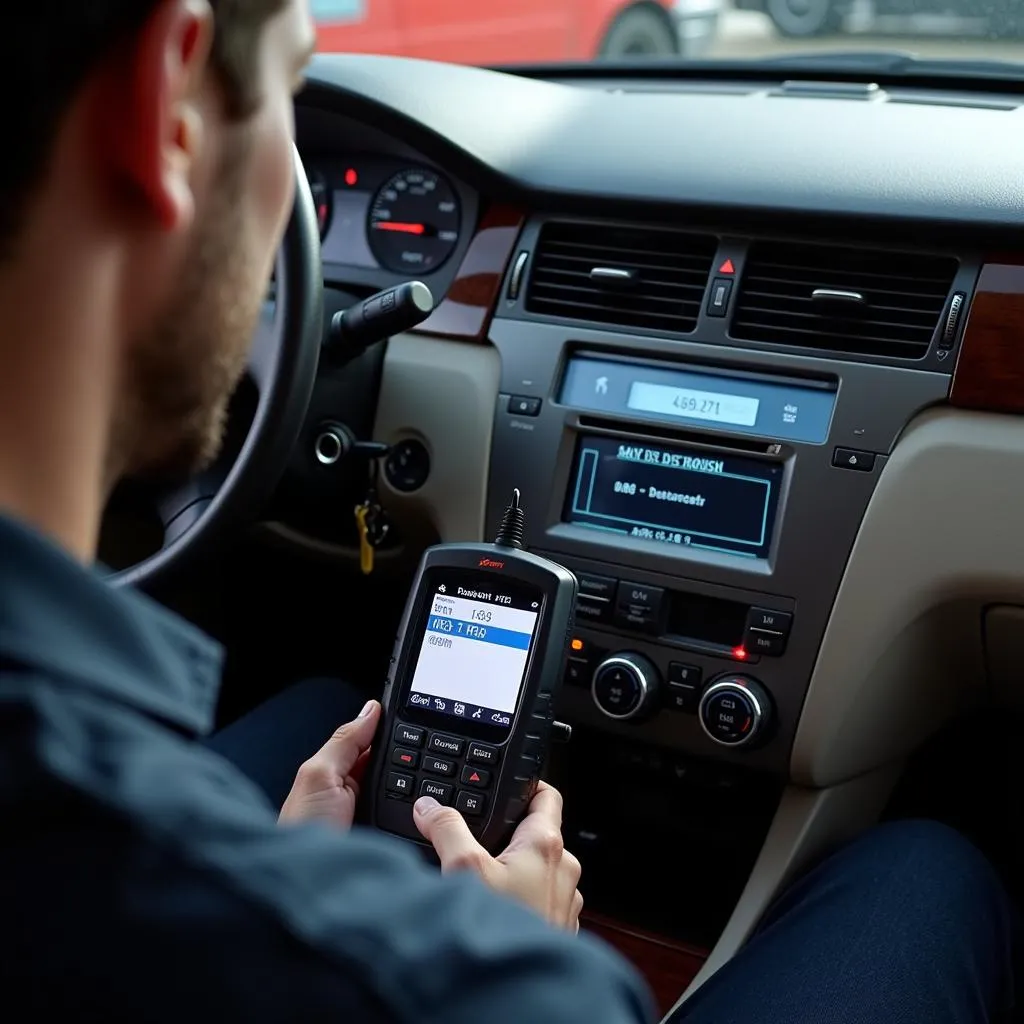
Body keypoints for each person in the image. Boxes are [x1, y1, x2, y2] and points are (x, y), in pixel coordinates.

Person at [0, 1, 1014, 1020]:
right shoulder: (494, 988)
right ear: (166, 115)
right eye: (288, 97)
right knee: (928, 874)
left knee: (329, 705)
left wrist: (299, 873)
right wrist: (506, 964)